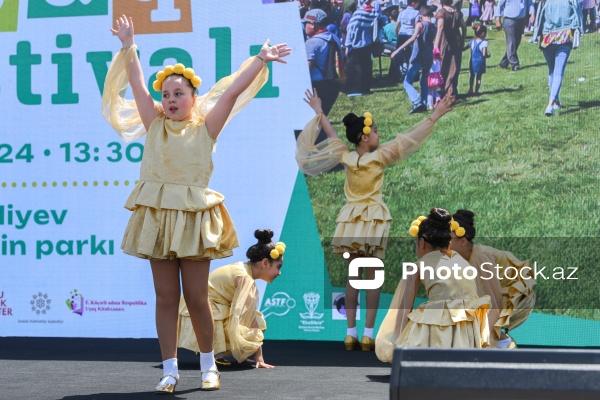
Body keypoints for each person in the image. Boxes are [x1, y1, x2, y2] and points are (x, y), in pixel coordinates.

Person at [102, 15, 290, 393]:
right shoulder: (153, 124)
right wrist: (128, 45)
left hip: (193, 219)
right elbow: (137, 84)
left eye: (179, 93)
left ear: (193, 98)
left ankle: (208, 366)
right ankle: (169, 369)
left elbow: (233, 92)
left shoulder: (206, 127)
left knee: (197, 297)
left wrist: (260, 59)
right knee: (165, 297)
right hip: (157, 217)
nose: (171, 99)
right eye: (167, 94)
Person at [296, 89, 454, 352]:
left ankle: (350, 333)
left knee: (353, 277)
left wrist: (319, 111)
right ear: (365, 136)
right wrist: (433, 117)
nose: (381, 135)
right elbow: (407, 141)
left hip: (350, 219)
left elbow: (333, 134)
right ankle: (368, 333)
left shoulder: (346, 156)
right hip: (372, 219)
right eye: (377, 131)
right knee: (372, 276)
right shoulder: (379, 157)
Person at [375, 208, 491, 362]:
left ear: (421, 243)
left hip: (440, 340)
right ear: (449, 244)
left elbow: (403, 310)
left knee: (423, 313)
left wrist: (398, 344)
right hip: (470, 339)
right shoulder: (464, 263)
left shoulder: (417, 267)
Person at [178, 229, 285, 368]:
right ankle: (212, 353)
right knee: (255, 320)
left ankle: (219, 353)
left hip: (197, 310)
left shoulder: (243, 269)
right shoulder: (245, 278)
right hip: (199, 313)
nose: (279, 273)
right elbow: (250, 320)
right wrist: (259, 357)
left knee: (247, 319)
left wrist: (244, 351)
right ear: (265, 263)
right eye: (278, 267)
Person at [450, 210, 536, 348]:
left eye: (448, 240)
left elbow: (493, 306)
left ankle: (499, 346)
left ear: (463, 241)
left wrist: (487, 345)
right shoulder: (462, 260)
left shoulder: (481, 258)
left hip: (517, 296)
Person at [532, 0, 583, 116]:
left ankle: (556, 101)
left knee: (552, 71)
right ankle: (550, 104)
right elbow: (578, 16)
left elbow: (540, 18)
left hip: (547, 37)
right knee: (558, 72)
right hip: (564, 36)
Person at [392, 6, 437, 113]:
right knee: (424, 80)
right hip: (429, 56)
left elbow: (412, 39)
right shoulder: (433, 26)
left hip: (418, 56)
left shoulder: (420, 25)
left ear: (420, 16)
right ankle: (424, 103)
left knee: (407, 81)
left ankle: (416, 101)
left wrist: (397, 50)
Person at [304, 8, 345, 116]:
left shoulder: (311, 43)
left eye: (306, 23)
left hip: (317, 88)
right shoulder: (334, 38)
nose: (304, 26)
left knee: (314, 122)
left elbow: (306, 69)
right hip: (333, 85)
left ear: (312, 24)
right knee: (322, 119)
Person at [344, 0, 388, 96]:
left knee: (354, 68)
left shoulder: (358, 14)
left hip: (355, 44)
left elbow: (350, 30)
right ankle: (366, 88)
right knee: (366, 67)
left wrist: (347, 45)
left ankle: (355, 89)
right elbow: (384, 20)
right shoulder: (374, 13)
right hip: (368, 43)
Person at [434, 0, 466, 97]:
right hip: (456, 40)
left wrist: (435, 45)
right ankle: (451, 90)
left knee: (443, 64)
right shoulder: (457, 13)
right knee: (454, 66)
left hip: (445, 40)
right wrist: (463, 39)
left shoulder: (442, 12)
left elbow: (440, 28)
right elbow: (464, 27)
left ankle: (441, 90)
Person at [495, 0, 536, 71]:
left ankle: (504, 62)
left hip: (521, 20)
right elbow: (500, 5)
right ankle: (515, 63)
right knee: (511, 43)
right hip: (509, 20)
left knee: (516, 43)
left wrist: (532, 14)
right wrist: (498, 19)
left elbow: (530, 3)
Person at [390, 0, 421, 83]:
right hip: (411, 35)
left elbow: (397, 26)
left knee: (399, 55)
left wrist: (398, 35)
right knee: (412, 55)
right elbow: (416, 25)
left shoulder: (402, 12)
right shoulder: (416, 12)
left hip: (402, 34)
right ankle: (413, 74)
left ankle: (397, 74)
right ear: (413, 2)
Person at [464, 24, 491, 95]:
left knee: (472, 76)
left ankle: (470, 89)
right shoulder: (484, 43)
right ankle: (476, 91)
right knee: (478, 77)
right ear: (483, 34)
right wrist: (487, 56)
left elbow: (464, 48)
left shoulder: (471, 42)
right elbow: (484, 54)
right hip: (480, 62)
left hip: (472, 62)